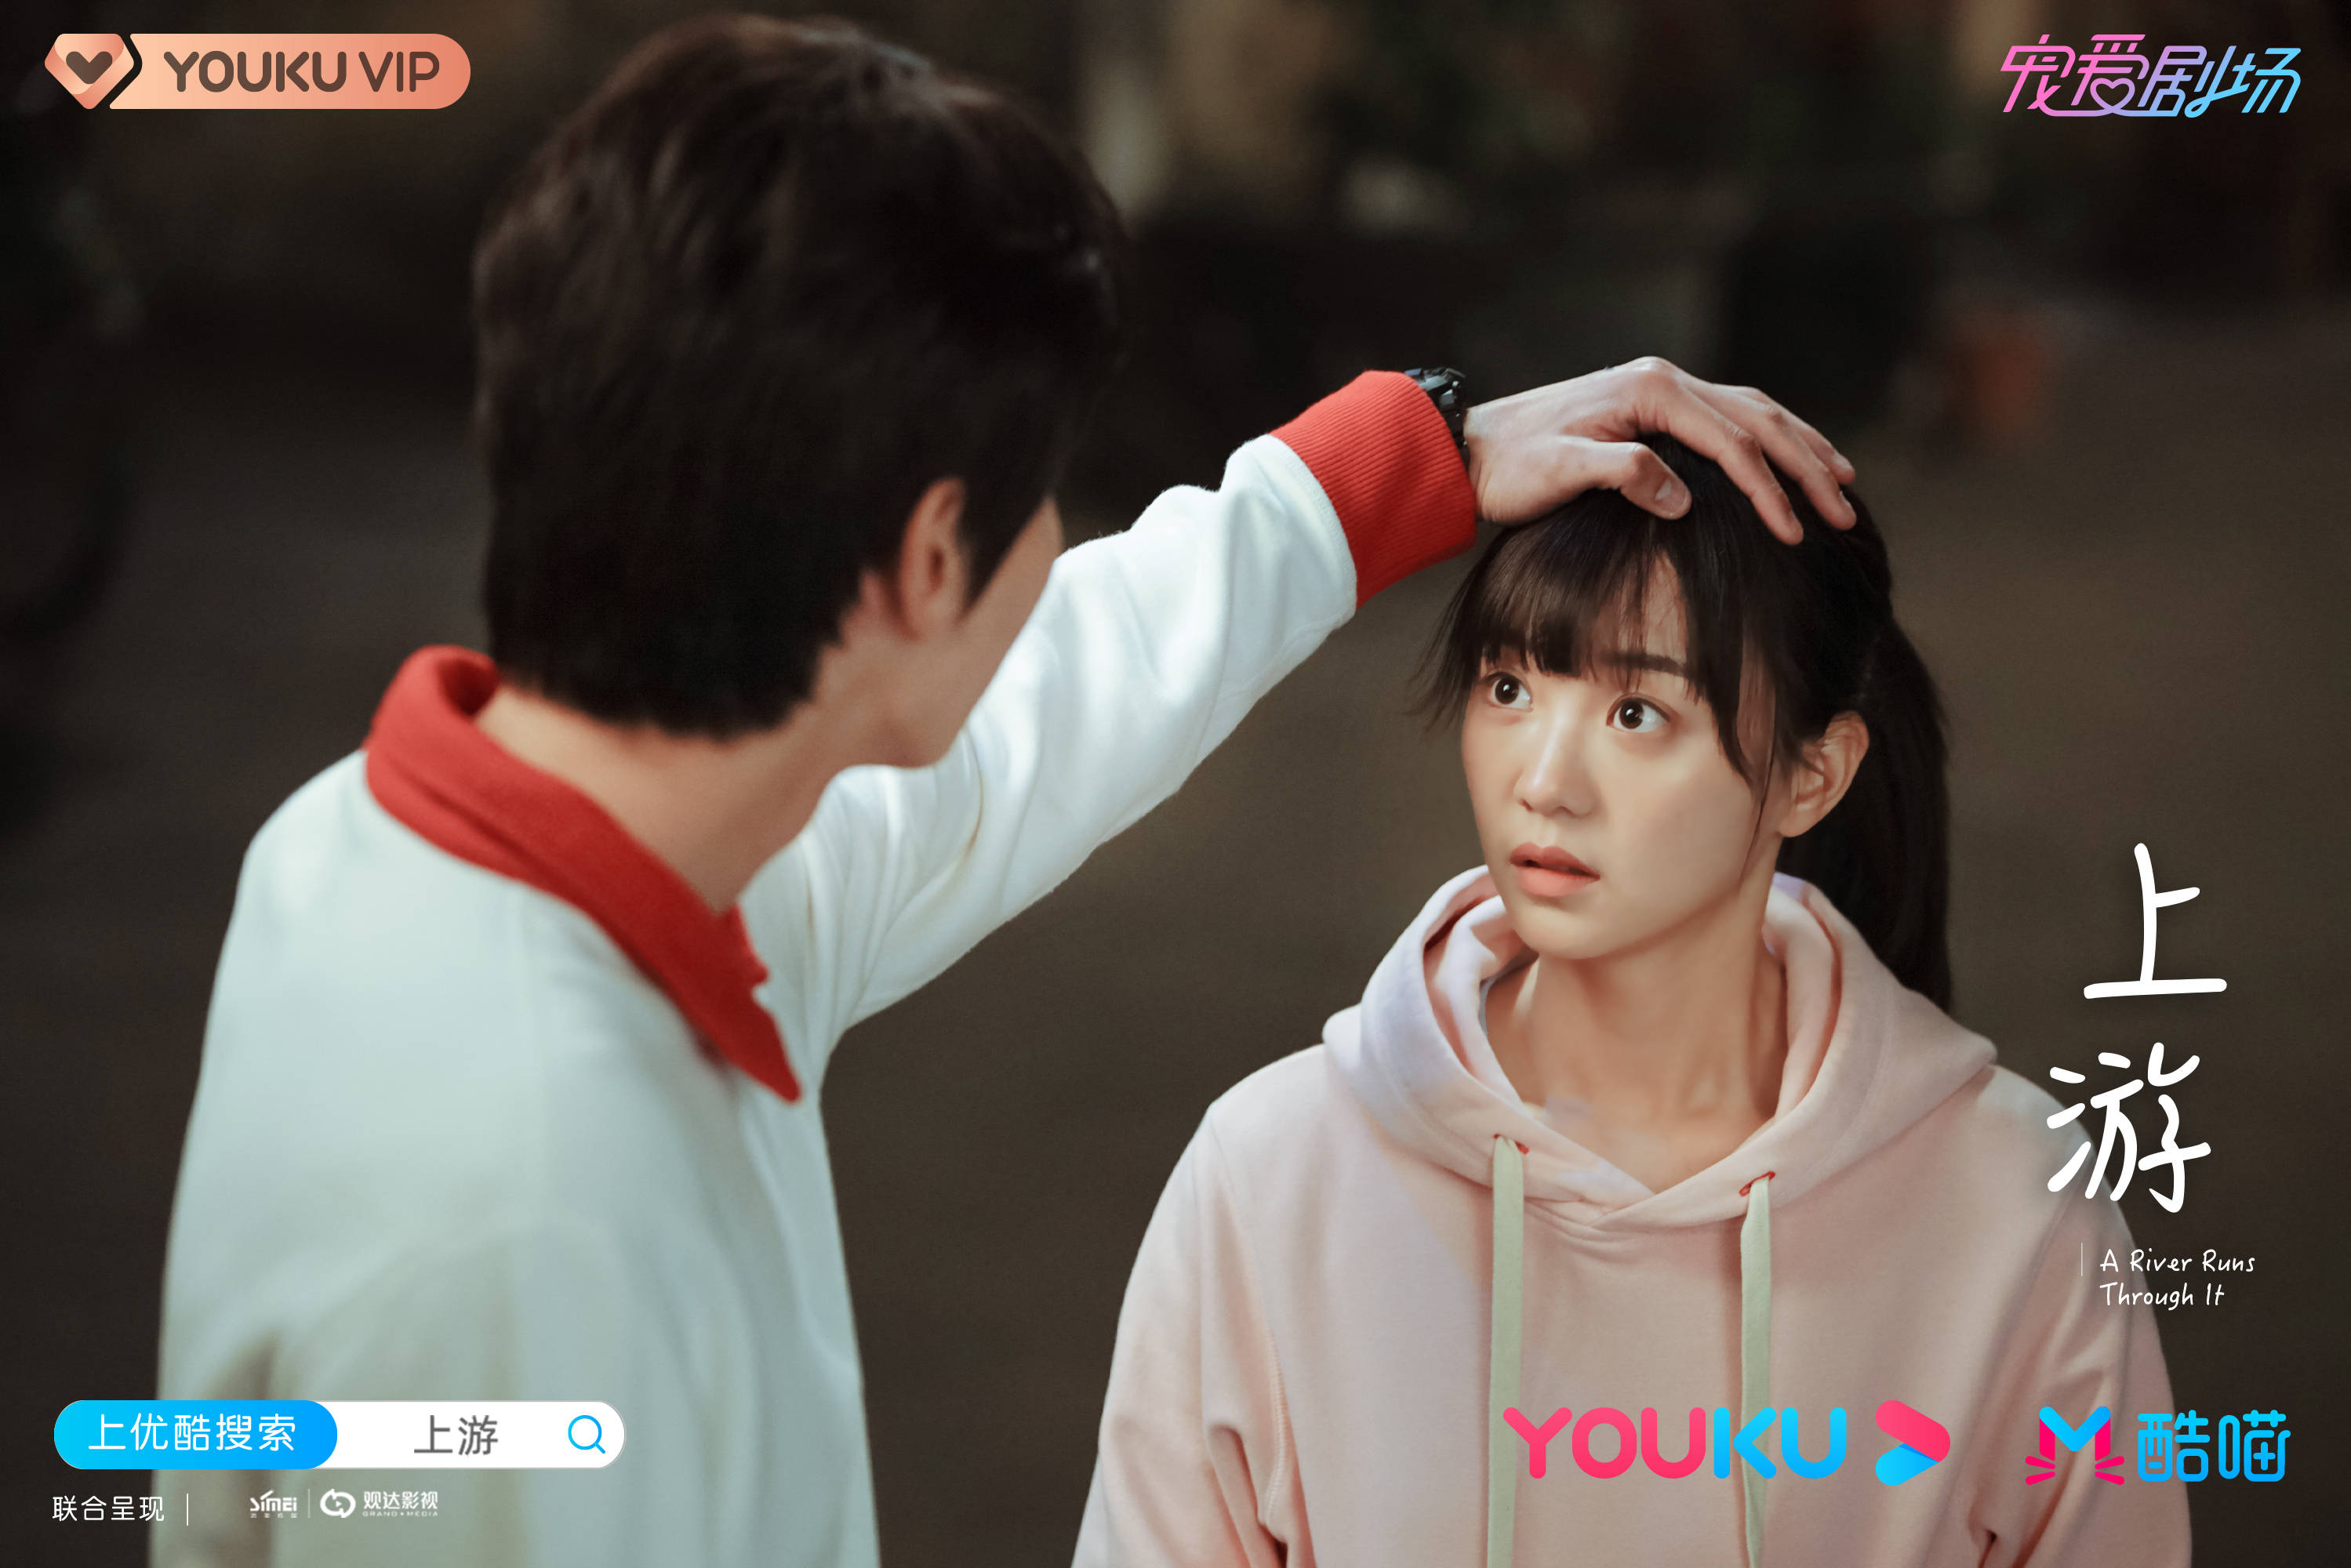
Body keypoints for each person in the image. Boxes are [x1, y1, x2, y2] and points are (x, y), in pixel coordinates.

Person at [152, 15, 1861, 1567]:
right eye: (1041, 502)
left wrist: (1405, 466)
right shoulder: (543, 1233)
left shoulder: (442, 847)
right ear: (924, 565)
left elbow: (1038, 712)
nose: (1055, 552)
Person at [1075, 435, 2192, 1566]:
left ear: (1812, 774)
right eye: (1509, 688)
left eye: (1637, 714)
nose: (1544, 783)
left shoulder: (2013, 1200)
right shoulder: (1271, 1173)